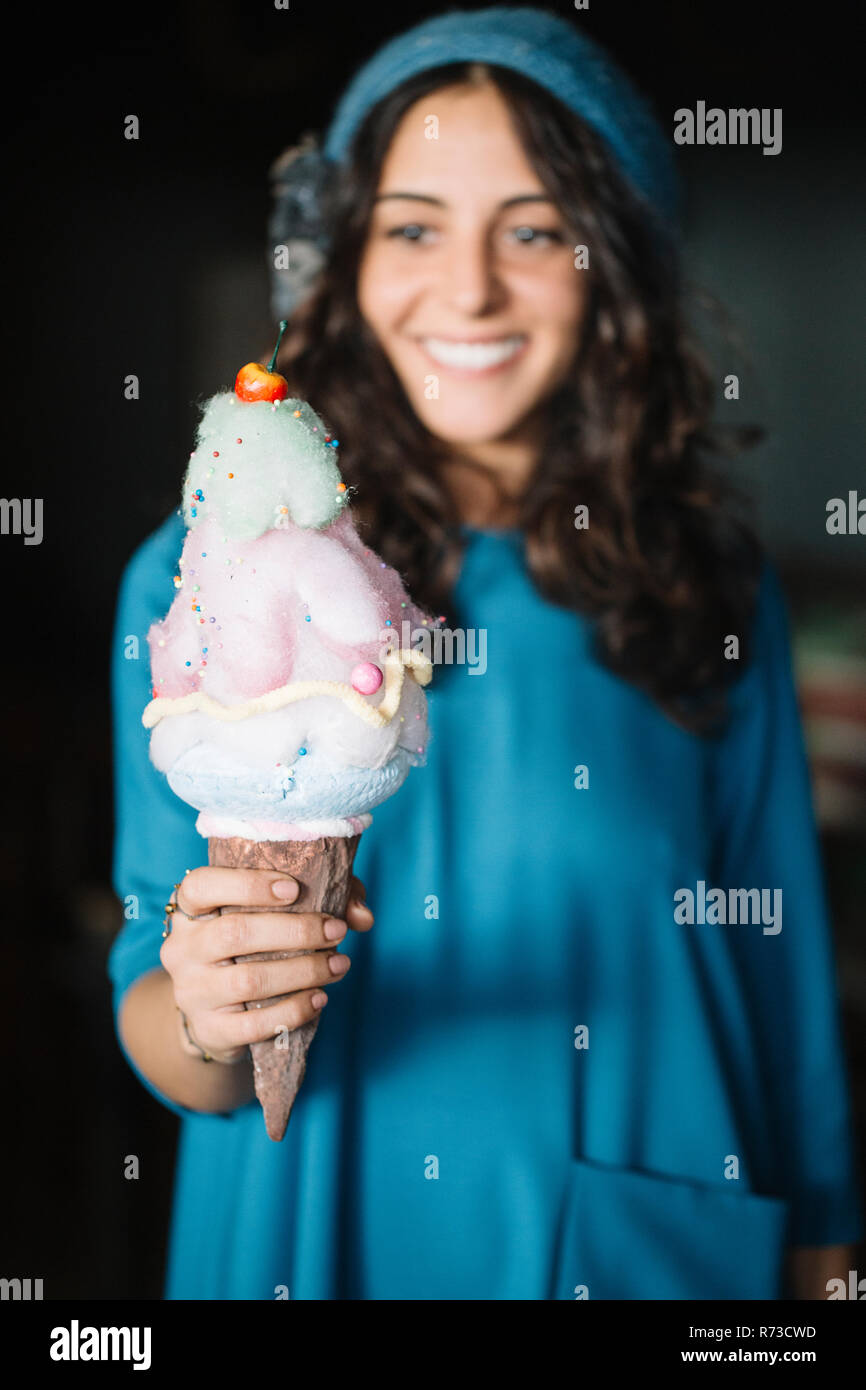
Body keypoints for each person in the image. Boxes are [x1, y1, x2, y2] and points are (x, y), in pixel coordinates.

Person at [109, 7, 862, 1300]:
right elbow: (158, 1005)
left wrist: (828, 1259)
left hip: (644, 1237)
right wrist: (210, 1008)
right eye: (411, 226)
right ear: (345, 256)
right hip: (311, 1229)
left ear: (612, 258)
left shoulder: (707, 581)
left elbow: (778, 960)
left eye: (530, 229)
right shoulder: (195, 581)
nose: (466, 289)